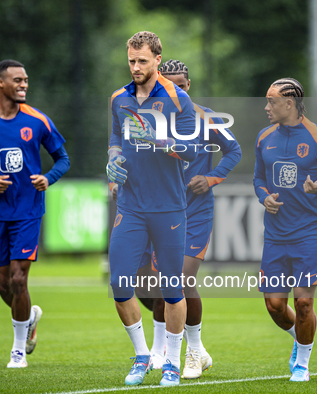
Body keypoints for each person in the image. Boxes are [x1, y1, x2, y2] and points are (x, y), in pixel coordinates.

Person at [128, 59, 242, 379]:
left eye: (180, 84)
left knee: (181, 279)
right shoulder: (151, 118)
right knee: (149, 286)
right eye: (169, 83)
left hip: (196, 211)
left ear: (188, 86)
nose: (175, 89)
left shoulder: (206, 117)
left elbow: (234, 150)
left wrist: (211, 177)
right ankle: (177, 348)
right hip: (160, 209)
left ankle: (190, 352)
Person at [107, 31, 199, 386]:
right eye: (131, 60)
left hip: (169, 208)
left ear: (157, 60)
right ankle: (143, 356)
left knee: (172, 289)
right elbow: (115, 139)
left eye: (142, 61)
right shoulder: (118, 98)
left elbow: (193, 150)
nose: (135, 67)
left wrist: (160, 141)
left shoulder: (178, 99)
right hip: (130, 206)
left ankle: (172, 363)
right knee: (119, 285)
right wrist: (113, 160)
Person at [0, 59, 69, 368]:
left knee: (18, 277)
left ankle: (18, 351)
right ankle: (29, 318)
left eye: (26, 80)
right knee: (2, 284)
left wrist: (47, 178)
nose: (24, 84)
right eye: (17, 80)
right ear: (0, 83)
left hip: (28, 210)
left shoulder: (38, 121)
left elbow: (62, 158)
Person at [253, 78, 317, 381]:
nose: (266, 106)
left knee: (304, 302)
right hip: (275, 234)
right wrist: (263, 196)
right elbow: (258, 179)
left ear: (289, 104)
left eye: (271, 101)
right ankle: (300, 336)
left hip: (310, 232)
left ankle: (302, 364)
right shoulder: (264, 138)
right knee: (274, 306)